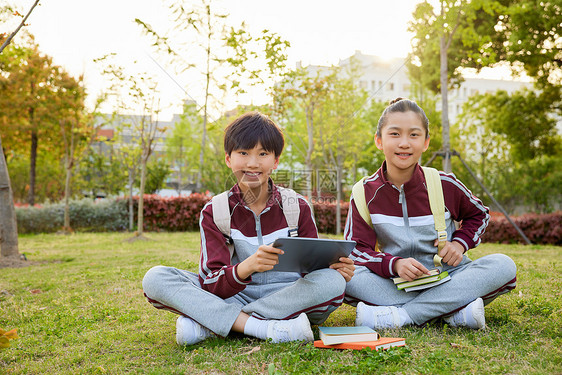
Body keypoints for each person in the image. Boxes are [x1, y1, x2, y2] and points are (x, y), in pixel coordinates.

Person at [143, 111, 355, 345]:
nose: (253, 163)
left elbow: (313, 272)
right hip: (234, 296)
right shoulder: (215, 211)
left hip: (289, 296)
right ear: (228, 159)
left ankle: (215, 321)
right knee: (156, 278)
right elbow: (210, 282)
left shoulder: (297, 206)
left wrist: (336, 269)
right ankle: (260, 327)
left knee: (333, 282)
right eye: (243, 153)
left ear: (275, 161)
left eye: (262, 153)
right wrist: (247, 266)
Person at [344, 98, 516, 330]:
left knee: (503, 265)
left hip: (449, 278)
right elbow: (356, 250)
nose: (404, 143)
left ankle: (403, 316)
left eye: (414, 135)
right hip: (395, 283)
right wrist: (394, 264)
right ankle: (453, 310)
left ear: (425, 143)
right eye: (394, 134)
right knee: (345, 277)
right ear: (379, 140)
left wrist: (459, 244)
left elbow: (480, 215)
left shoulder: (444, 183)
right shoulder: (363, 192)